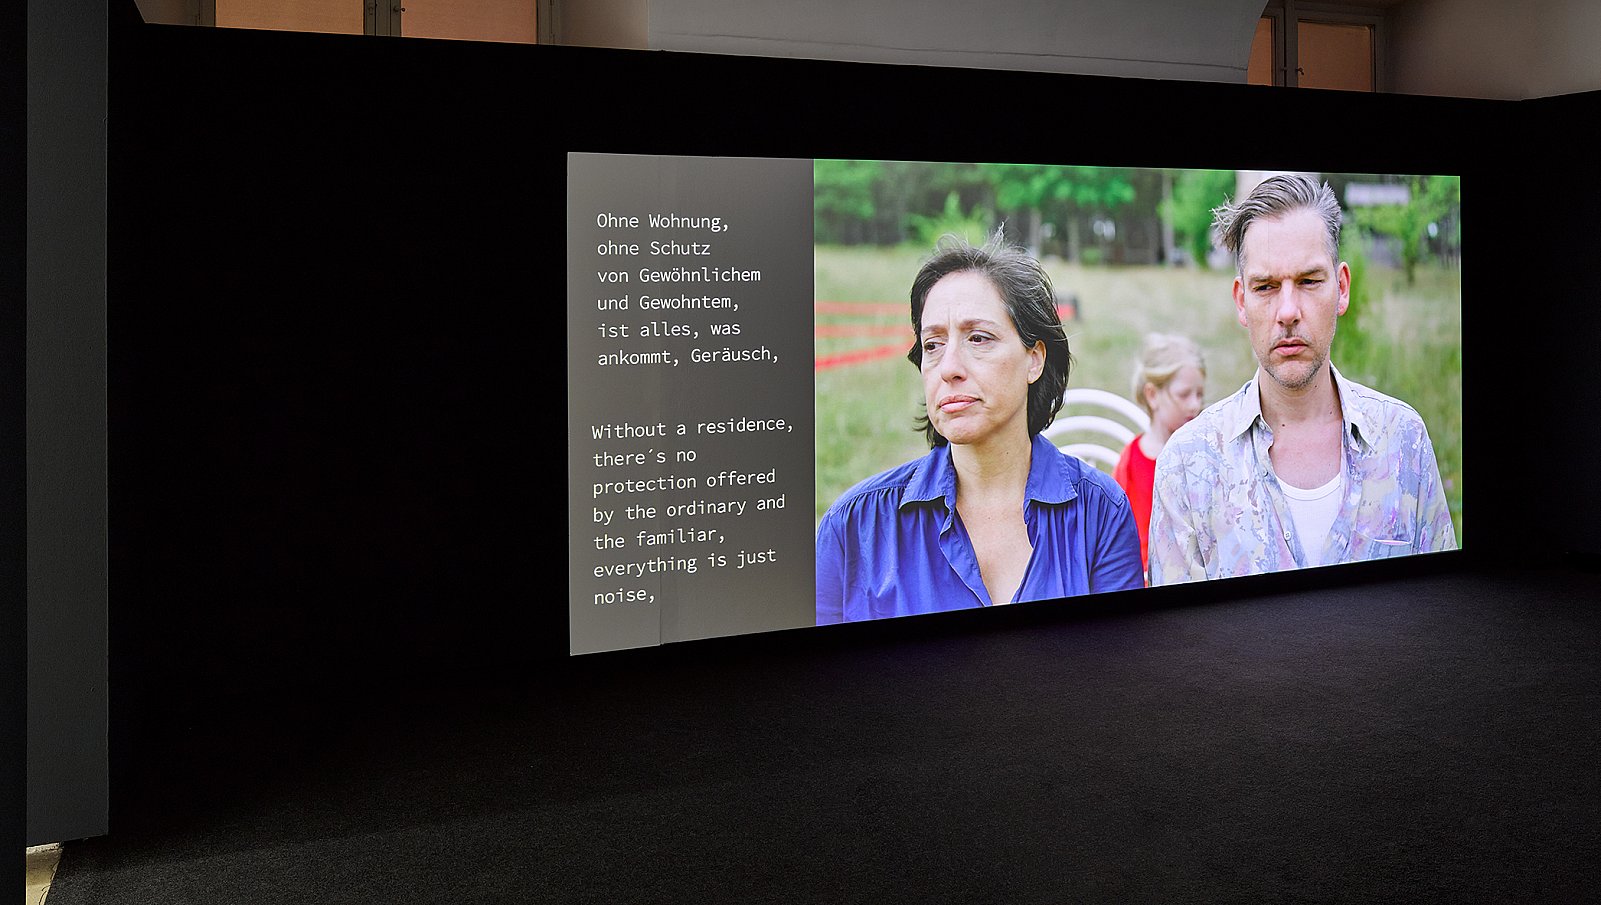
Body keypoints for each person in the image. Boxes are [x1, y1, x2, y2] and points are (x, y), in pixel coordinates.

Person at [816, 235, 1143, 624]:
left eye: (978, 338)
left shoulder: (1100, 514)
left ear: (1034, 359)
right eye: (932, 345)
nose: (949, 367)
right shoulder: (854, 527)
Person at [1148, 174, 1456, 585]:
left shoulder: (1404, 442)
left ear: (1341, 288)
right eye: (1266, 287)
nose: (1288, 311)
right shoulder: (1188, 466)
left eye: (1309, 281)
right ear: (1241, 300)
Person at [1113, 333, 1205, 579]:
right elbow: (1116, 531)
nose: (1195, 405)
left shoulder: (1203, 455)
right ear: (1152, 395)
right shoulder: (1132, 460)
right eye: (1184, 395)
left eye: (1199, 394)